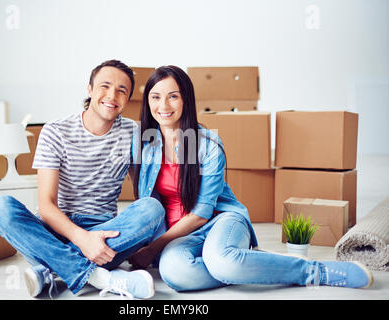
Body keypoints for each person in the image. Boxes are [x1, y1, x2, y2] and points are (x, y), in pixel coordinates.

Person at [127, 65, 374, 291]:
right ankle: (252, 263)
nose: (164, 105)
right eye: (155, 97)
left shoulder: (207, 144)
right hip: (178, 236)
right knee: (176, 273)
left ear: (186, 100)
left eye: (173, 96)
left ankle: (314, 271)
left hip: (219, 221)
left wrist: (153, 248)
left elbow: (201, 213)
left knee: (221, 261)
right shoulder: (143, 144)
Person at [0, 59, 165, 299]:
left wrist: (151, 247)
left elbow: (144, 191)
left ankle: (51, 269)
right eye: (105, 86)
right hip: (55, 230)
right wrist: (83, 240)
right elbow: (47, 206)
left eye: (122, 90)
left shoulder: (134, 133)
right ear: (90, 89)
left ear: (127, 99)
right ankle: (101, 277)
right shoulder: (55, 131)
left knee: (152, 208)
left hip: (106, 233)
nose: (112, 95)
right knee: (0, 207)